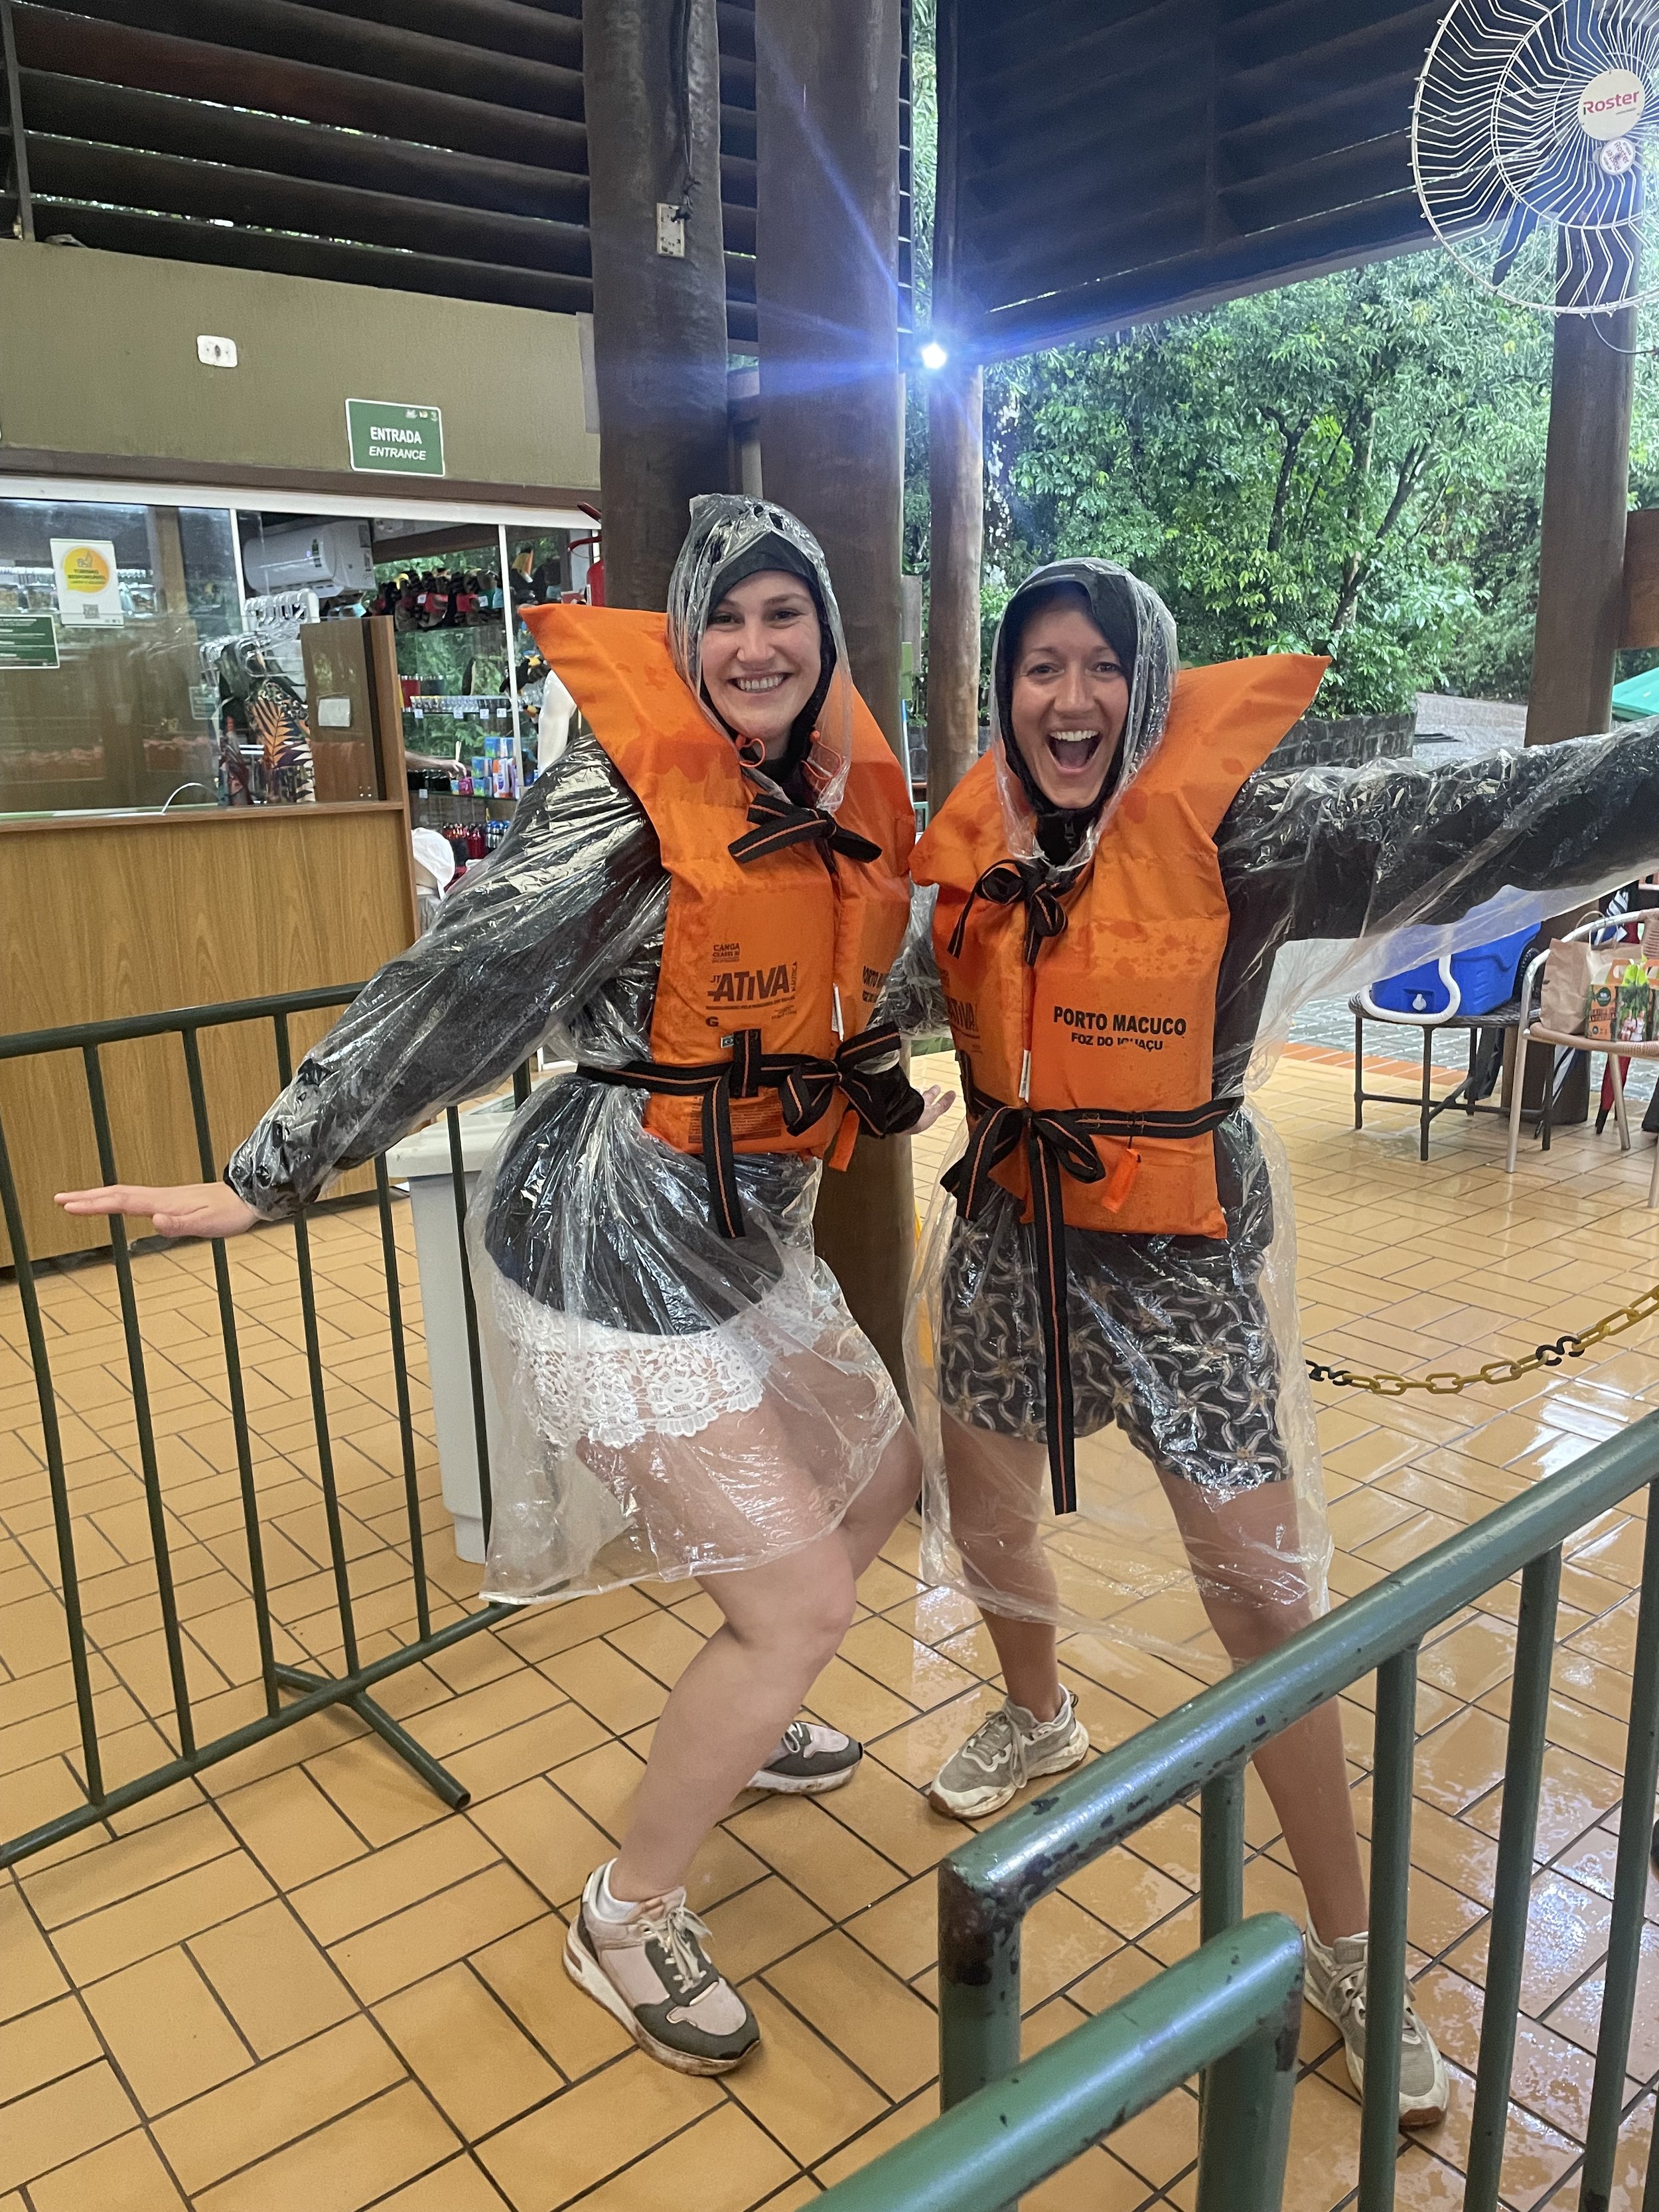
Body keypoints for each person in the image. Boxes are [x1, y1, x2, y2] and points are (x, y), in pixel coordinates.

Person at [59, 495, 949, 2080]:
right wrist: (271, 1167)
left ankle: (743, 1721)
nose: (754, 647)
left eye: (783, 618)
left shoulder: (833, 790)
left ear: (823, 641)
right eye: (724, 620)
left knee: (881, 1476)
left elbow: (881, 963)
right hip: (604, 1236)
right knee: (799, 1597)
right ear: (685, 639)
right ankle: (625, 1907)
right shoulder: (621, 797)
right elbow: (453, 981)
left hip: (745, 1226)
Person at [885, 557, 1659, 2130]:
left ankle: (1349, 1944)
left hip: (1175, 1246)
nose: (1071, 694)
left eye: (1102, 663)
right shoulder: (963, 841)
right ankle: (1035, 1707)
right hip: (1006, 1228)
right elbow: (868, 980)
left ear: (1147, 684)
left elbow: (1503, 810)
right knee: (981, 1494)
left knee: (1263, 1596)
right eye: (1040, 663)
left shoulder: (1252, 827)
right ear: (1005, 684)